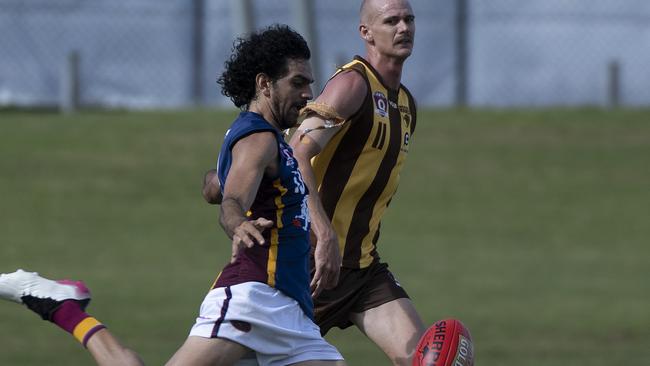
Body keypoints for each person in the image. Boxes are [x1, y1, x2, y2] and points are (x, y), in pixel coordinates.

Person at [0, 24, 345, 366]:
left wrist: (221, 182)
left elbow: (216, 186)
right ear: (264, 84)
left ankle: (66, 309)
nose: (307, 93)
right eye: (297, 83)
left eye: (309, 83)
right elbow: (231, 200)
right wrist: (237, 220)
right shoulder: (259, 140)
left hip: (290, 310)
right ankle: (64, 309)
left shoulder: (266, 138)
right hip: (254, 299)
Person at [289, 1, 425, 365]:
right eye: (391, 20)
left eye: (409, 19)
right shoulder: (351, 85)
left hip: (363, 269)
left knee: (424, 358)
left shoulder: (406, 104)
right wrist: (325, 234)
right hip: (312, 266)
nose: (403, 28)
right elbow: (295, 155)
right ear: (366, 32)